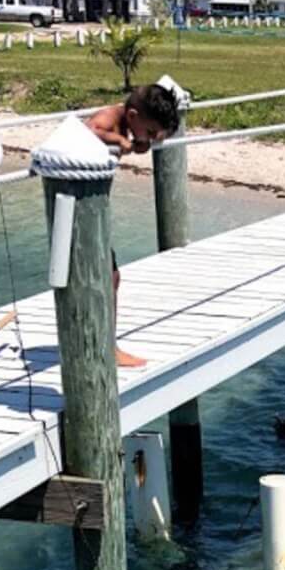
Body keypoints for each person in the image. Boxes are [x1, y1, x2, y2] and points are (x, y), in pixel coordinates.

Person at [84, 83, 181, 367]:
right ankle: (104, 348)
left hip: (91, 210)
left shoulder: (127, 123)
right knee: (105, 278)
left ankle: (101, 342)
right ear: (134, 115)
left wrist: (136, 141)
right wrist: (121, 141)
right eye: (150, 133)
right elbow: (91, 130)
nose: (149, 140)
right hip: (81, 211)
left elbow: (131, 139)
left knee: (109, 278)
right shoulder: (110, 118)